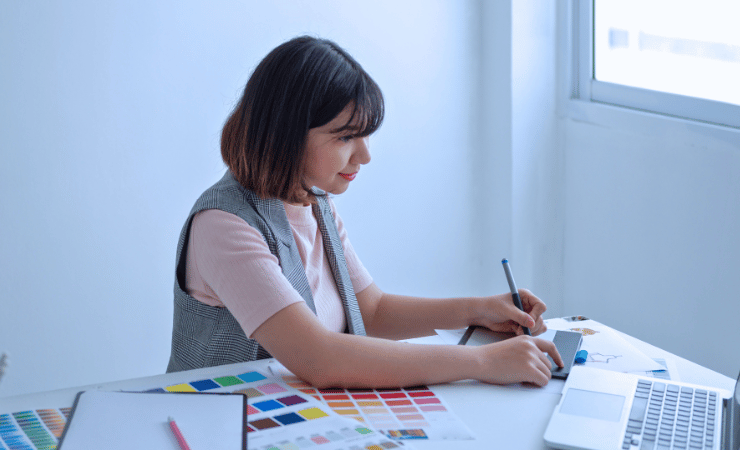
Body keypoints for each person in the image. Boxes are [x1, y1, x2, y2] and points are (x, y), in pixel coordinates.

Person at [167, 35, 562, 388]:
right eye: (345, 137)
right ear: (284, 134)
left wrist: (477, 310)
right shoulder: (224, 224)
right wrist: (479, 361)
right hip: (221, 430)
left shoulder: (314, 202)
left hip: (290, 421)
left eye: (365, 135)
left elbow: (371, 309)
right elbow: (318, 358)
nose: (365, 155)